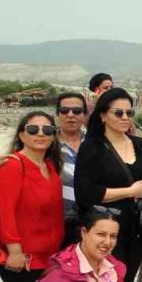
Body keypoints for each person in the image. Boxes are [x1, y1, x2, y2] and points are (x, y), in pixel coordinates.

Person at [74, 88, 142, 282]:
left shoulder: (140, 145)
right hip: (105, 232)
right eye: (118, 113)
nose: (125, 117)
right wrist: (129, 192)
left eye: (129, 113)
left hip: (136, 231)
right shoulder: (92, 147)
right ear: (103, 115)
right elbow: (85, 193)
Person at [0, 111, 65, 282]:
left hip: (48, 257)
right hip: (23, 258)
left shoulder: (50, 166)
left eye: (47, 130)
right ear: (22, 135)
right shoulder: (13, 166)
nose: (40, 134)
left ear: (53, 135)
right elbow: (3, 211)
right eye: (33, 129)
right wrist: (14, 251)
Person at [55, 92, 87, 246]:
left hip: (88, 222)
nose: (70, 115)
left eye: (77, 111)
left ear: (84, 115)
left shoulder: (96, 143)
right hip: (53, 221)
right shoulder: (45, 143)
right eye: (64, 111)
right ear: (57, 114)